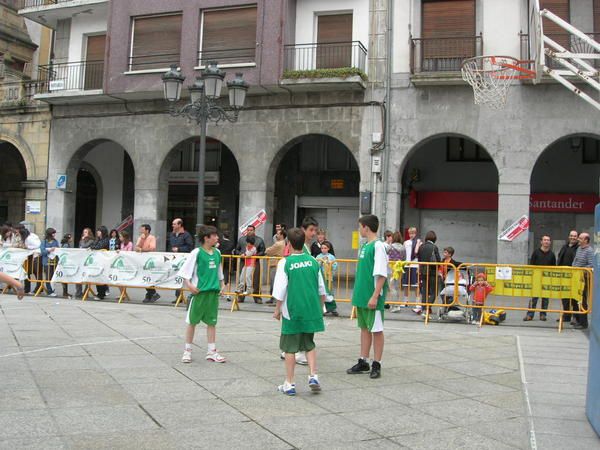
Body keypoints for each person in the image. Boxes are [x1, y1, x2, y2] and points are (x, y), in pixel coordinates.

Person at [273, 227, 326, 396]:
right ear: (304, 242)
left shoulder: (285, 263)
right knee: (309, 344)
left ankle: (290, 383)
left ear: (288, 243)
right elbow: (321, 289)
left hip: (292, 310)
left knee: (290, 348)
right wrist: (320, 307)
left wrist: (277, 310)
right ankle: (313, 375)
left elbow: (280, 290)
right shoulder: (313, 261)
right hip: (311, 309)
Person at [346, 214, 388, 379]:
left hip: (372, 296)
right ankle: (363, 360)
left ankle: (376, 363)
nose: (359, 229)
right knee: (364, 328)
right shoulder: (365, 246)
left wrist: (375, 296)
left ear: (366, 227)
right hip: (362, 295)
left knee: (376, 330)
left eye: (360, 226)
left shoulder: (378, 246)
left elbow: (382, 274)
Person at [179, 225, 226, 364]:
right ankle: (187, 351)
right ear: (206, 238)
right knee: (192, 322)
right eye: (215, 235)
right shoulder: (196, 253)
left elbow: (219, 271)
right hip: (199, 293)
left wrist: (222, 284)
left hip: (213, 293)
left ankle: (211, 351)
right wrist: (190, 285)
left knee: (212, 322)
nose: (217, 237)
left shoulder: (217, 252)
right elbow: (185, 271)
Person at [524, 235, 556, 322]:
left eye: (548, 240)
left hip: (547, 280)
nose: (546, 242)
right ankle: (530, 314)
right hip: (536, 279)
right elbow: (531, 265)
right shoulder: (535, 252)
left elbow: (554, 267)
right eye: (545, 240)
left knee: (545, 298)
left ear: (550, 242)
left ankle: (543, 314)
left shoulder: (552, 255)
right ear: (541, 242)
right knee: (534, 298)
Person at [235, 225, 265, 301]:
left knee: (256, 279)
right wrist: (240, 254)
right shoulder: (241, 239)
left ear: (254, 231)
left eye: (251, 230)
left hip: (255, 261)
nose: (249, 231)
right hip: (243, 261)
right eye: (248, 230)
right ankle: (241, 296)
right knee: (242, 277)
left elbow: (262, 251)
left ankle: (257, 297)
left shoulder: (259, 240)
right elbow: (236, 250)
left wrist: (254, 256)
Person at [167, 218, 194, 304]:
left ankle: (192, 295)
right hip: (175, 259)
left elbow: (190, 247)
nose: (172, 226)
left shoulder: (186, 235)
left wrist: (179, 249)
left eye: (174, 224)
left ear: (179, 225)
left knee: (186, 278)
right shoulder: (172, 234)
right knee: (176, 277)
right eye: (172, 224)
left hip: (184, 259)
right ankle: (178, 296)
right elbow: (170, 245)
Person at [572, 232, 593, 330]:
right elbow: (575, 261)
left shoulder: (589, 251)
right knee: (577, 299)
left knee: (583, 300)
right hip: (576, 277)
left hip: (584, 279)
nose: (578, 240)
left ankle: (584, 323)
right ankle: (578, 320)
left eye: (580, 238)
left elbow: (591, 265)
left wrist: (581, 270)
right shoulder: (579, 249)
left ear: (586, 240)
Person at [556, 230, 579, 324]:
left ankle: (575, 317)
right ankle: (566, 315)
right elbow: (559, 258)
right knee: (565, 297)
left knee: (574, 298)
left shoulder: (578, 248)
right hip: (564, 276)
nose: (572, 237)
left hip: (574, 276)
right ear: (569, 237)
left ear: (577, 237)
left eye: (574, 236)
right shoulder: (564, 247)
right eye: (571, 236)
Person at [417, 231, 441, 316]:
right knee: (434, 291)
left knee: (425, 291)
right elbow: (438, 260)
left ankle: (424, 309)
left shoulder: (421, 247)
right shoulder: (434, 247)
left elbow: (419, 259)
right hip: (433, 272)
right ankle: (428, 306)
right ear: (434, 238)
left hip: (423, 271)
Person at [135, 224, 159, 303]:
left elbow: (152, 248)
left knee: (149, 277)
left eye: (142, 229)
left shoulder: (152, 238)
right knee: (144, 277)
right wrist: (142, 240)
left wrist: (142, 250)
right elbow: (137, 247)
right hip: (142, 260)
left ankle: (151, 293)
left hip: (149, 260)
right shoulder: (140, 237)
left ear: (147, 230)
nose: (141, 231)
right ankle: (151, 293)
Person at [316, 240, 338, 316]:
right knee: (322, 292)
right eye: (322, 248)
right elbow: (316, 265)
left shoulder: (331, 257)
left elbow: (335, 265)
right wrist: (321, 262)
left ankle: (332, 308)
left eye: (325, 248)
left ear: (328, 248)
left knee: (330, 292)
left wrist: (329, 263)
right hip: (321, 277)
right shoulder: (318, 256)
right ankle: (323, 308)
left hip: (329, 277)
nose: (323, 249)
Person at [265, 229, 287, 303]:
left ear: (281, 235)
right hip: (279, 264)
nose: (276, 235)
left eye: (278, 234)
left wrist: (267, 250)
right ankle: (274, 298)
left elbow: (268, 251)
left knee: (274, 281)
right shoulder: (284, 243)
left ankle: (274, 299)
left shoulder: (278, 244)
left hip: (275, 264)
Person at [403, 227, 422, 310]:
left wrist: (419, 267)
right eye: (410, 233)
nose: (411, 235)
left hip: (415, 265)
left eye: (413, 233)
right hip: (407, 265)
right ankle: (405, 301)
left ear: (416, 233)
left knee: (416, 285)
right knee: (406, 284)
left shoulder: (419, 242)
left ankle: (417, 302)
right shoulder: (405, 242)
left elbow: (420, 255)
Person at [388, 231, 407, 313]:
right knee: (397, 287)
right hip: (399, 269)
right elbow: (404, 258)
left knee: (392, 287)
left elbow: (388, 256)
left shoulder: (390, 247)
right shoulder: (403, 247)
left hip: (392, 268)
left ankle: (395, 305)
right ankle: (396, 304)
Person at [75, 228, 95, 299]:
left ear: (89, 233)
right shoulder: (81, 240)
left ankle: (86, 292)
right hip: (81, 260)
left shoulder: (91, 240)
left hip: (87, 261)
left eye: (86, 232)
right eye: (84, 232)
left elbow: (84, 246)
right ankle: (78, 292)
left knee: (87, 277)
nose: (84, 233)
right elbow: (80, 247)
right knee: (78, 276)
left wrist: (82, 240)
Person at [38, 228, 59, 297]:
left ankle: (52, 289)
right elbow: (42, 251)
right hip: (47, 261)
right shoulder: (44, 242)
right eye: (53, 233)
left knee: (53, 276)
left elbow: (58, 249)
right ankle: (50, 291)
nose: (54, 234)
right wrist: (50, 250)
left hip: (54, 261)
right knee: (48, 276)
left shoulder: (55, 241)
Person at [91, 226, 110, 300]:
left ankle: (101, 293)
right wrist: (93, 246)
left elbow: (99, 247)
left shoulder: (106, 240)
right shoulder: (97, 239)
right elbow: (93, 245)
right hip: (98, 261)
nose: (97, 232)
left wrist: (94, 247)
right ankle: (100, 292)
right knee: (97, 276)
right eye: (97, 231)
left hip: (104, 260)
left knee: (101, 277)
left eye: (99, 231)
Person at [218, 232, 235, 302]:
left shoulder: (220, 242)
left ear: (223, 236)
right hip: (229, 261)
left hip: (221, 260)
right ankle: (228, 294)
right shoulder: (231, 243)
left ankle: (220, 292)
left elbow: (216, 248)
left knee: (219, 275)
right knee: (227, 277)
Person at [60, 233, 73, 299]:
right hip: (65, 263)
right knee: (64, 278)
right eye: (71, 238)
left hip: (64, 263)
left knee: (65, 278)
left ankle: (65, 292)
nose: (72, 239)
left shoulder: (65, 244)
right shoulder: (66, 245)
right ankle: (65, 292)